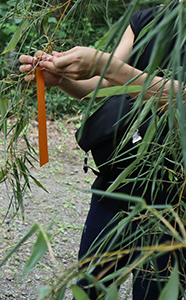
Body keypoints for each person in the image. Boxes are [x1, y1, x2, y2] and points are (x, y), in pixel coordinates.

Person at [19, 3, 185, 300]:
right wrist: (63, 78)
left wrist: (105, 64)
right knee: (91, 285)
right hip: (116, 183)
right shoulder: (145, 19)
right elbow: (102, 84)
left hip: (174, 198)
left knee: (154, 293)